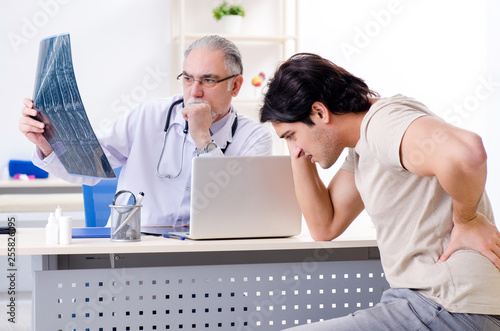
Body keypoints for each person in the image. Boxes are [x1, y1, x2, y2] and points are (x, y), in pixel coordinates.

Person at [260, 53, 500, 330]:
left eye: (291, 136)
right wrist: (296, 145)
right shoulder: (362, 144)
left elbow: (466, 152)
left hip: (450, 307)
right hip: (424, 303)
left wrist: (467, 219)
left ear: (319, 112)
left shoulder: (383, 124)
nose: (295, 148)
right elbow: (325, 225)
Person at [19, 35, 273, 227]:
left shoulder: (254, 138)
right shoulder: (148, 115)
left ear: (236, 86)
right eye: (187, 78)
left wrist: (202, 138)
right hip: (134, 250)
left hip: (207, 258)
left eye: (208, 80)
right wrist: (47, 142)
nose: (195, 91)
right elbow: (90, 168)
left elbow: (241, 211)